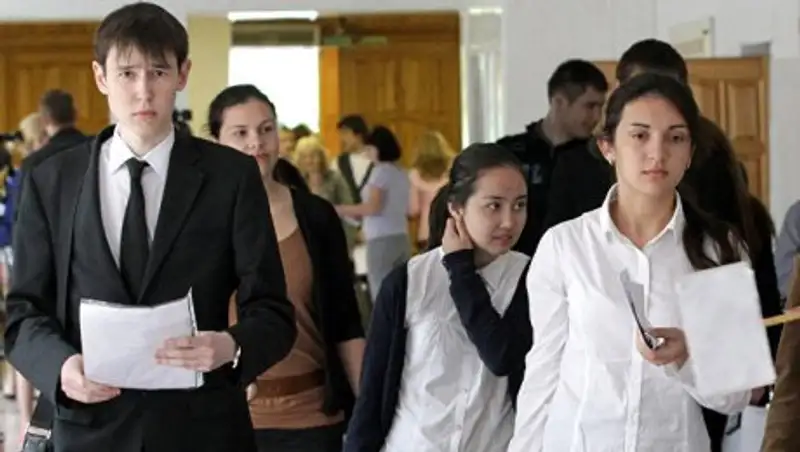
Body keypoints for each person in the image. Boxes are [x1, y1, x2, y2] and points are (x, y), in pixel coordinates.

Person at [3, 4, 296, 452]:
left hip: (203, 430)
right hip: (89, 430)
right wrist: (61, 367)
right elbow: (24, 312)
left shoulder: (231, 176)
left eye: (158, 72)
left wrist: (230, 346)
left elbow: (273, 311)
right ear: (101, 77)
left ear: (183, 74)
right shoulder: (52, 180)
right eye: (127, 74)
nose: (144, 91)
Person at [543, 39, 781, 451]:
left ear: (690, 152)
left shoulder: (717, 248)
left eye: (675, 138)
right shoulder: (566, 244)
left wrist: (688, 356)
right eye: (640, 135)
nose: (657, 153)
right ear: (608, 147)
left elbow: (740, 392)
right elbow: (543, 373)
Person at [207, 84, 365, 452]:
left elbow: (345, 322)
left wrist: (369, 414)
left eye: (266, 129)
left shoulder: (315, 216)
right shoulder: (198, 222)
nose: (256, 143)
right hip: (224, 419)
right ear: (216, 142)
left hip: (311, 417)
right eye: (240, 133)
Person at [345, 143, 531, 452]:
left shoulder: (531, 277)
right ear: (457, 208)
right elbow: (373, 392)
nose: (509, 221)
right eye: (493, 206)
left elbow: (501, 355)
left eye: (519, 205)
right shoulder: (409, 281)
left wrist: (461, 270)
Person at [497, 59, 607, 256]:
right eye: (590, 106)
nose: (597, 116)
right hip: (513, 263)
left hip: (575, 263)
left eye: (601, 107)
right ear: (559, 102)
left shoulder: (600, 158)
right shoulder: (510, 153)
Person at [335, 126, 410, 303]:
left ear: (379, 149)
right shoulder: (401, 172)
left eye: (369, 149)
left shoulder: (380, 172)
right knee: (401, 292)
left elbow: (373, 207)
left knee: (381, 293)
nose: (367, 153)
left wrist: (340, 209)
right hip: (401, 236)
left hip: (381, 240)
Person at [16, 90, 89, 222]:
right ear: (76, 114)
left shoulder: (34, 163)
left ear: (44, 120)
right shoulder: (98, 150)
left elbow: (25, 217)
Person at [407, 130, 454, 251]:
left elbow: (413, 209)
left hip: (427, 231)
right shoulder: (453, 170)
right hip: (452, 229)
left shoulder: (414, 175)